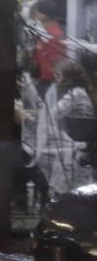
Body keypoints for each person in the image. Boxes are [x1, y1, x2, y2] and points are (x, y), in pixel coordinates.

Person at [31, 60, 95, 198]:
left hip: (76, 143)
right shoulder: (78, 91)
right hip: (73, 139)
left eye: (59, 74)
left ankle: (50, 197)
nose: (55, 76)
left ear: (69, 77)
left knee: (38, 156)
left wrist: (30, 112)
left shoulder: (76, 93)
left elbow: (54, 113)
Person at [31, 0, 68, 97]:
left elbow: (56, 64)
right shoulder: (43, 32)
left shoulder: (55, 35)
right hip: (42, 79)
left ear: (45, 15)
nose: (35, 14)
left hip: (50, 84)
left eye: (37, 11)